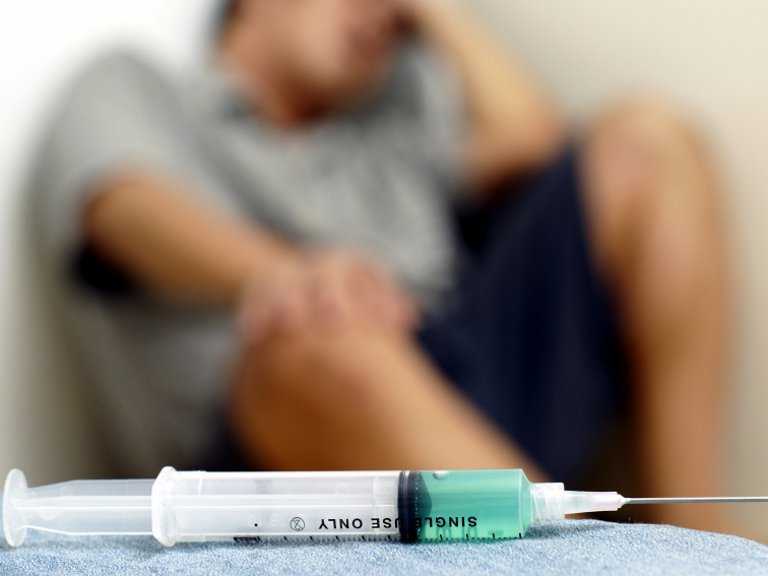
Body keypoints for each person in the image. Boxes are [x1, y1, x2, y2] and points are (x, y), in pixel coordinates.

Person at [31, 0, 729, 532]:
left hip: (462, 379)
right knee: (317, 336)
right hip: (282, 435)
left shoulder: (392, 123)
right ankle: (594, 560)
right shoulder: (135, 87)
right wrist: (292, 277)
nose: (377, 16)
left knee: (649, 145)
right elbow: (121, 207)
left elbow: (533, 135)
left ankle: (695, 538)